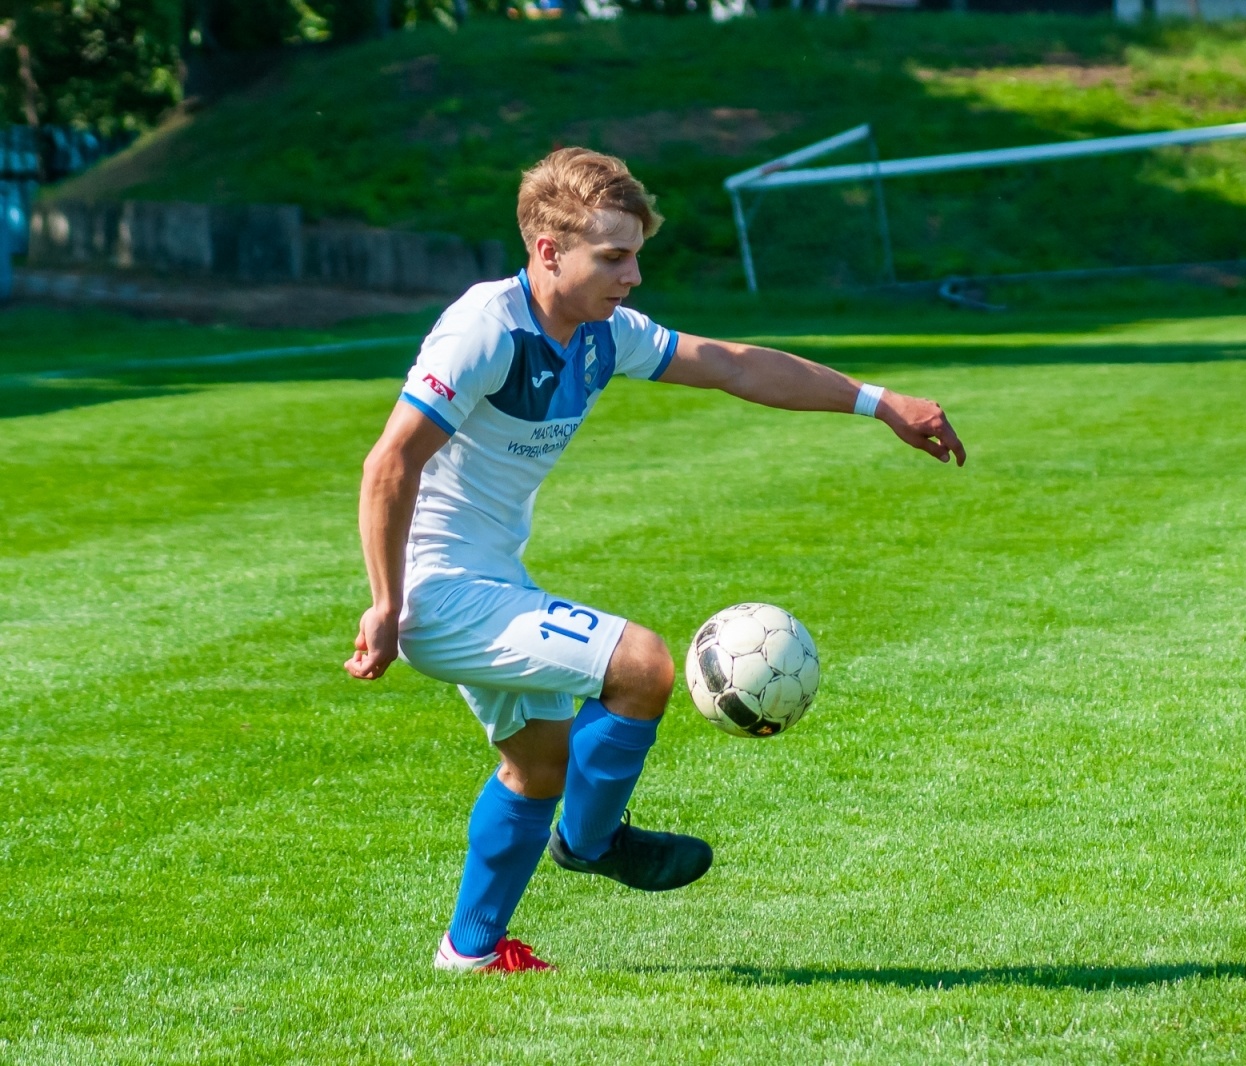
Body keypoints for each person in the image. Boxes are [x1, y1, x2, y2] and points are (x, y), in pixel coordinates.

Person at [343, 147, 965, 973]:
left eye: (636, 255)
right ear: (548, 252)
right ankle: (593, 844)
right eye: (614, 257)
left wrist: (878, 402)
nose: (632, 275)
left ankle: (470, 953)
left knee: (538, 764)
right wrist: (386, 605)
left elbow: (734, 366)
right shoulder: (485, 330)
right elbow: (390, 463)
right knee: (642, 666)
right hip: (441, 592)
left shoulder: (606, 334)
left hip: (490, 579)